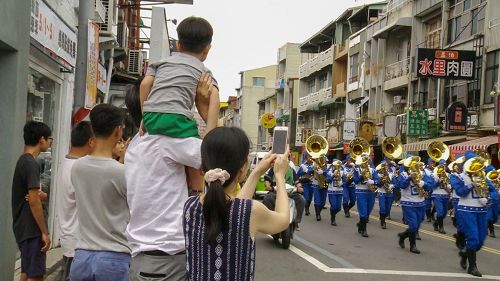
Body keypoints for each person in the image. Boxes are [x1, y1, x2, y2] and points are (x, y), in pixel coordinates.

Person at [126, 71, 212, 281]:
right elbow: (220, 155)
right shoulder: (165, 141)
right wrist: (204, 109)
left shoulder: (137, 143)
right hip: (166, 260)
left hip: (145, 259)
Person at [183, 127, 290, 281]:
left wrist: (256, 173)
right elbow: (283, 219)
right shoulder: (250, 210)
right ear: (242, 169)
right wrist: (279, 175)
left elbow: (235, 206)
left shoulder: (189, 206)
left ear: (203, 167)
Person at [140, 16, 220, 191]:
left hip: (152, 117)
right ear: (207, 48)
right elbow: (214, 96)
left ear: (178, 44)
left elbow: (145, 85)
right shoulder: (203, 71)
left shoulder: (160, 64)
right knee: (197, 153)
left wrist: (144, 118)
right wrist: (210, 131)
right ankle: (199, 189)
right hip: (178, 119)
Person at [69, 104, 131, 280]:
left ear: (92, 129)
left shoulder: (77, 168)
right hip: (114, 256)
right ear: (118, 131)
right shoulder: (121, 172)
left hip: (81, 256)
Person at [12, 121, 52, 281]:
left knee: (26, 272)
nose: (50, 142)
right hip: (31, 228)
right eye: (50, 139)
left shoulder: (23, 160)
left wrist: (39, 196)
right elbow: (33, 201)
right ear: (41, 139)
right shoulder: (31, 164)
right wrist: (44, 232)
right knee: (35, 276)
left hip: (22, 226)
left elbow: (33, 196)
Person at [56, 121, 94, 281]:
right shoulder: (79, 168)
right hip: (77, 242)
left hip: (69, 238)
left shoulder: (65, 163)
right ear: (91, 141)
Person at [452, 151, 497, 277]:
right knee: (473, 237)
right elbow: (460, 192)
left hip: (482, 211)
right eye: (472, 164)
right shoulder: (458, 177)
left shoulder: (483, 177)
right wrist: (472, 184)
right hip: (466, 210)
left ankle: (466, 254)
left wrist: (488, 199)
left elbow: (494, 191)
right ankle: (473, 267)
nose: (476, 168)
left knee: (481, 241)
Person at [395, 156, 434, 254]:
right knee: (413, 225)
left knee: (417, 224)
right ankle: (413, 246)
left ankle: (403, 236)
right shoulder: (403, 174)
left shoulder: (423, 173)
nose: (414, 165)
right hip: (408, 203)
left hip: (420, 203)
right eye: (412, 164)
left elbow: (430, 185)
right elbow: (401, 185)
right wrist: (409, 178)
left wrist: (423, 183)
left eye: (415, 163)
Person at [262, 164, 305, 229]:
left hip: (289, 192)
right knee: (267, 198)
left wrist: (299, 187)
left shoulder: (291, 170)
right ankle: (270, 218)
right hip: (276, 191)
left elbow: (297, 181)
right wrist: (268, 185)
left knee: (301, 199)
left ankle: (296, 221)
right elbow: (267, 179)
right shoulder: (274, 169)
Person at [353, 154, 379, 237]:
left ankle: (360, 225)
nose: (366, 162)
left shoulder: (372, 170)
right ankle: (364, 230)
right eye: (364, 160)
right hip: (361, 192)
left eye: (367, 160)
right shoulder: (357, 170)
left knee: (368, 210)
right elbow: (356, 181)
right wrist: (361, 176)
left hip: (370, 192)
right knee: (363, 211)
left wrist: (373, 182)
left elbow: (377, 180)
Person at [431, 159, 451, 234]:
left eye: (445, 166)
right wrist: (438, 181)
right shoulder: (434, 174)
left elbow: (450, 186)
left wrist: (447, 185)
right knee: (440, 212)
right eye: (442, 165)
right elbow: (431, 186)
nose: (443, 167)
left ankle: (436, 223)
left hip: (446, 195)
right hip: (437, 195)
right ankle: (441, 228)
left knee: (444, 213)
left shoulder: (449, 175)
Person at [376, 161, 395, 229]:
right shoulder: (378, 174)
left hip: (389, 192)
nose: (385, 167)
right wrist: (381, 181)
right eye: (384, 166)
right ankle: (383, 222)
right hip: (381, 192)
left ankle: (382, 216)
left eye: (386, 166)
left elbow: (395, 182)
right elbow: (377, 184)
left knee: (387, 209)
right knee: (383, 208)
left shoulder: (391, 173)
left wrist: (392, 185)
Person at [325, 160, 343, 226]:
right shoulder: (329, 171)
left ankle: (332, 214)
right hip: (332, 191)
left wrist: (343, 183)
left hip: (340, 191)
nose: (337, 166)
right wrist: (333, 174)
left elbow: (345, 180)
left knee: (338, 208)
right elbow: (328, 180)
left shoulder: (342, 170)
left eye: (338, 165)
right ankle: (333, 219)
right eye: (336, 165)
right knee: (334, 205)